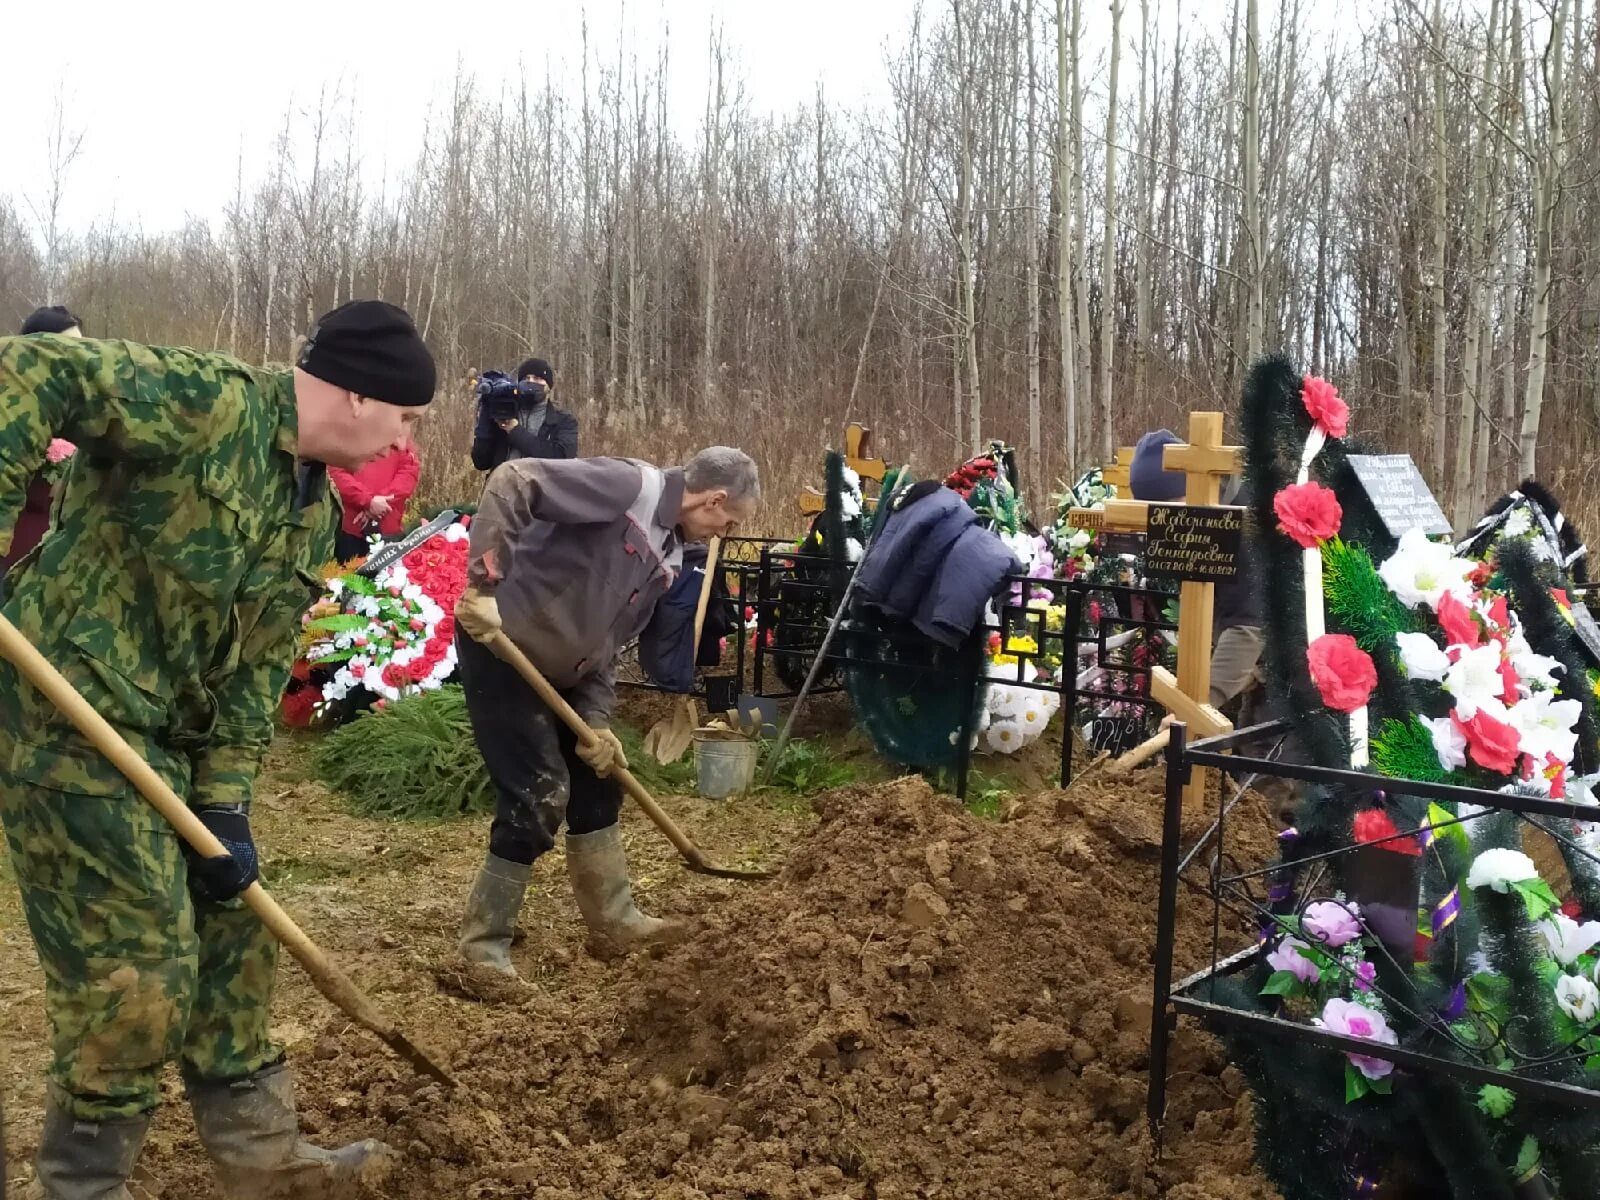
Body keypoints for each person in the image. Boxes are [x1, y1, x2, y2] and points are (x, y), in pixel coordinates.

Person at [0, 300, 435, 1199]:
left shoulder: (310, 510)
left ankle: (261, 1159)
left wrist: (225, 803)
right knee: (141, 964)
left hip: (164, 730)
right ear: (358, 394)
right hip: (65, 712)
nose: (404, 440)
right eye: (405, 416)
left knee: (234, 920)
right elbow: (26, 369)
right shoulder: (209, 403)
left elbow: (255, 668)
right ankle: (82, 1187)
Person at [452, 446, 759, 980]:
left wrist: (595, 720)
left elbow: (606, 644)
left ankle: (614, 922)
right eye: (727, 522)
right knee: (538, 793)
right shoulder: (628, 489)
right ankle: (482, 948)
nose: (721, 534)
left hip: (568, 671)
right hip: (505, 646)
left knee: (600, 780)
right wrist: (482, 586)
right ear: (714, 499)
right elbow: (513, 478)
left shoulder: (669, 555)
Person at [1, 308, 85, 581]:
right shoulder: (12, 416)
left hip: (67, 572)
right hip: (15, 570)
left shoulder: (92, 417)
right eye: (66, 349)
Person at [470, 356, 578, 470]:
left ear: (549, 386)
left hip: (542, 486)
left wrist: (514, 430)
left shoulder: (564, 420)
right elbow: (481, 462)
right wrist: (486, 415)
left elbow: (562, 459)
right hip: (503, 484)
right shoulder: (505, 411)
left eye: (537, 378)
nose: (530, 382)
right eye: (526, 378)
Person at [328, 442, 422, 563]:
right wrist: (368, 501)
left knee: (386, 578)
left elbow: (408, 474)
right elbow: (336, 472)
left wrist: (378, 502)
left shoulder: (398, 436)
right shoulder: (349, 433)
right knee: (344, 577)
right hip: (349, 529)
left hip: (388, 528)